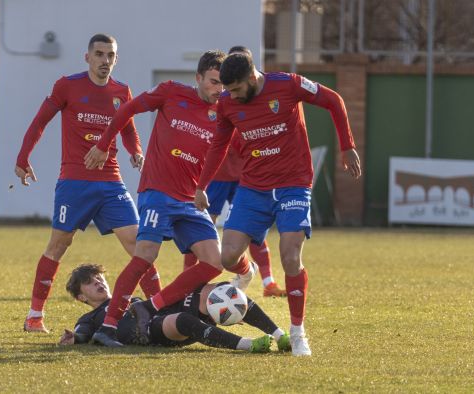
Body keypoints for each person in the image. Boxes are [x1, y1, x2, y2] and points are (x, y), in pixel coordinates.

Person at [84, 50, 257, 347]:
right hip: (158, 193)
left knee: (214, 262)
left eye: (223, 85)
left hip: (191, 199)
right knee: (145, 255)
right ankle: (108, 327)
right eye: (214, 82)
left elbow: (232, 149)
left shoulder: (226, 110)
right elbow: (127, 109)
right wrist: (103, 144)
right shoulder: (170, 92)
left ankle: (157, 305)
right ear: (199, 78)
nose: (219, 90)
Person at [195, 52, 362, 356]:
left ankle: (298, 332)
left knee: (290, 255)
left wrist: (347, 146)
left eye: (234, 89)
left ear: (251, 77)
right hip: (252, 188)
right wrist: (202, 185)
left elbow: (334, 100)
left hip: (293, 185)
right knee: (228, 257)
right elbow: (219, 143)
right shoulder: (228, 104)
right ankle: (247, 273)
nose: (229, 95)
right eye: (226, 90)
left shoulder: (288, 85)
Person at [15, 34, 161, 334]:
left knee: (139, 244)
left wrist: (136, 152)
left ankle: (160, 308)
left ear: (115, 59)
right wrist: (23, 156)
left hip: (111, 183)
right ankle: (34, 316)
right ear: (87, 57)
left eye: (110, 55)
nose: (105, 60)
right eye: (99, 54)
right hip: (74, 183)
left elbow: (129, 129)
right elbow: (40, 121)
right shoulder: (67, 85)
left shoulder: (121, 91)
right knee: (59, 245)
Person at [183, 46, 286, 298]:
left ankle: (268, 282)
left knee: (252, 232)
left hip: (244, 177)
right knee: (200, 226)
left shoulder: (253, 99)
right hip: (217, 177)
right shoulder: (224, 100)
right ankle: (189, 284)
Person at [59, 263, 291, 353]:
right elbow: (83, 333)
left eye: (99, 278)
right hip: (150, 333)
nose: (98, 283)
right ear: (81, 296)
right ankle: (248, 345)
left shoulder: (130, 298)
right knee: (180, 319)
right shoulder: (91, 316)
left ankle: (279, 335)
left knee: (220, 291)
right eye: (90, 282)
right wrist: (75, 338)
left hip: (161, 314)